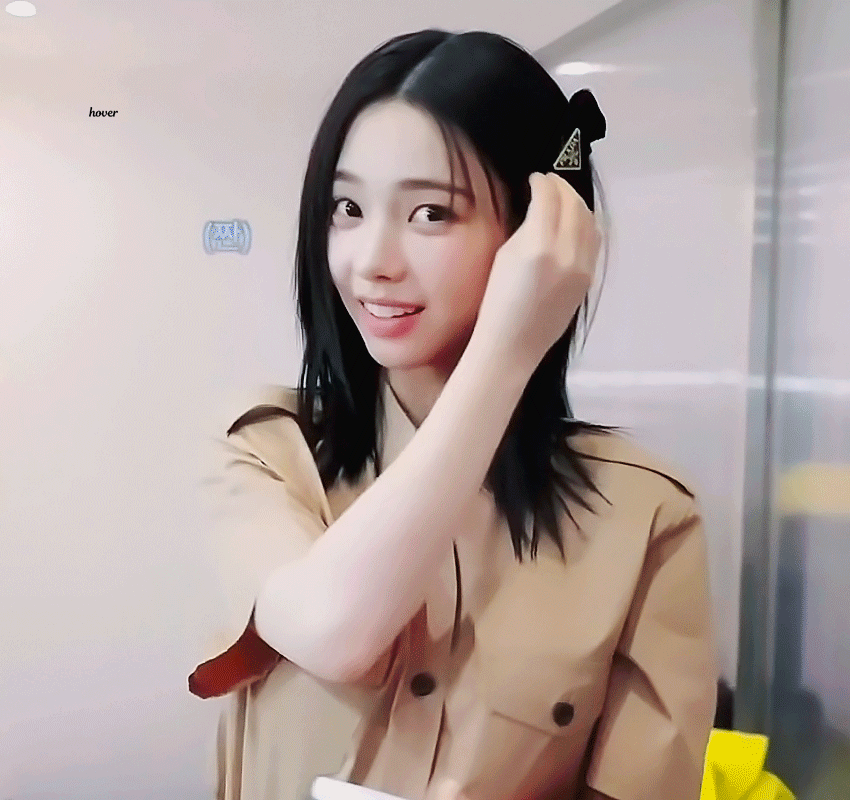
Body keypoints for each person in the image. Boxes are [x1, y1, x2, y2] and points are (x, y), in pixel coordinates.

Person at [188, 29, 719, 800]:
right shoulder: (266, 449)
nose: (373, 260)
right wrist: (506, 353)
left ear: (541, 235)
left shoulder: (647, 518)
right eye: (347, 207)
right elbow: (334, 632)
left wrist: (518, 340)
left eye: (431, 213)